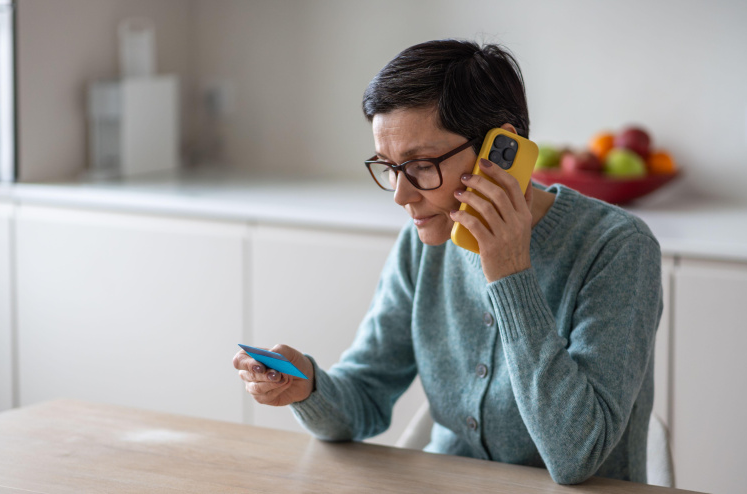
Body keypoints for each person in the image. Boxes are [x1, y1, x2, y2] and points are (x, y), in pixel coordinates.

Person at [233, 39, 662, 485]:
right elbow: (363, 397)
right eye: (388, 167)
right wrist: (309, 386)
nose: (401, 195)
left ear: (503, 152)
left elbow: (578, 455)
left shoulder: (617, 248)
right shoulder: (421, 245)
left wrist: (509, 271)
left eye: (420, 165)